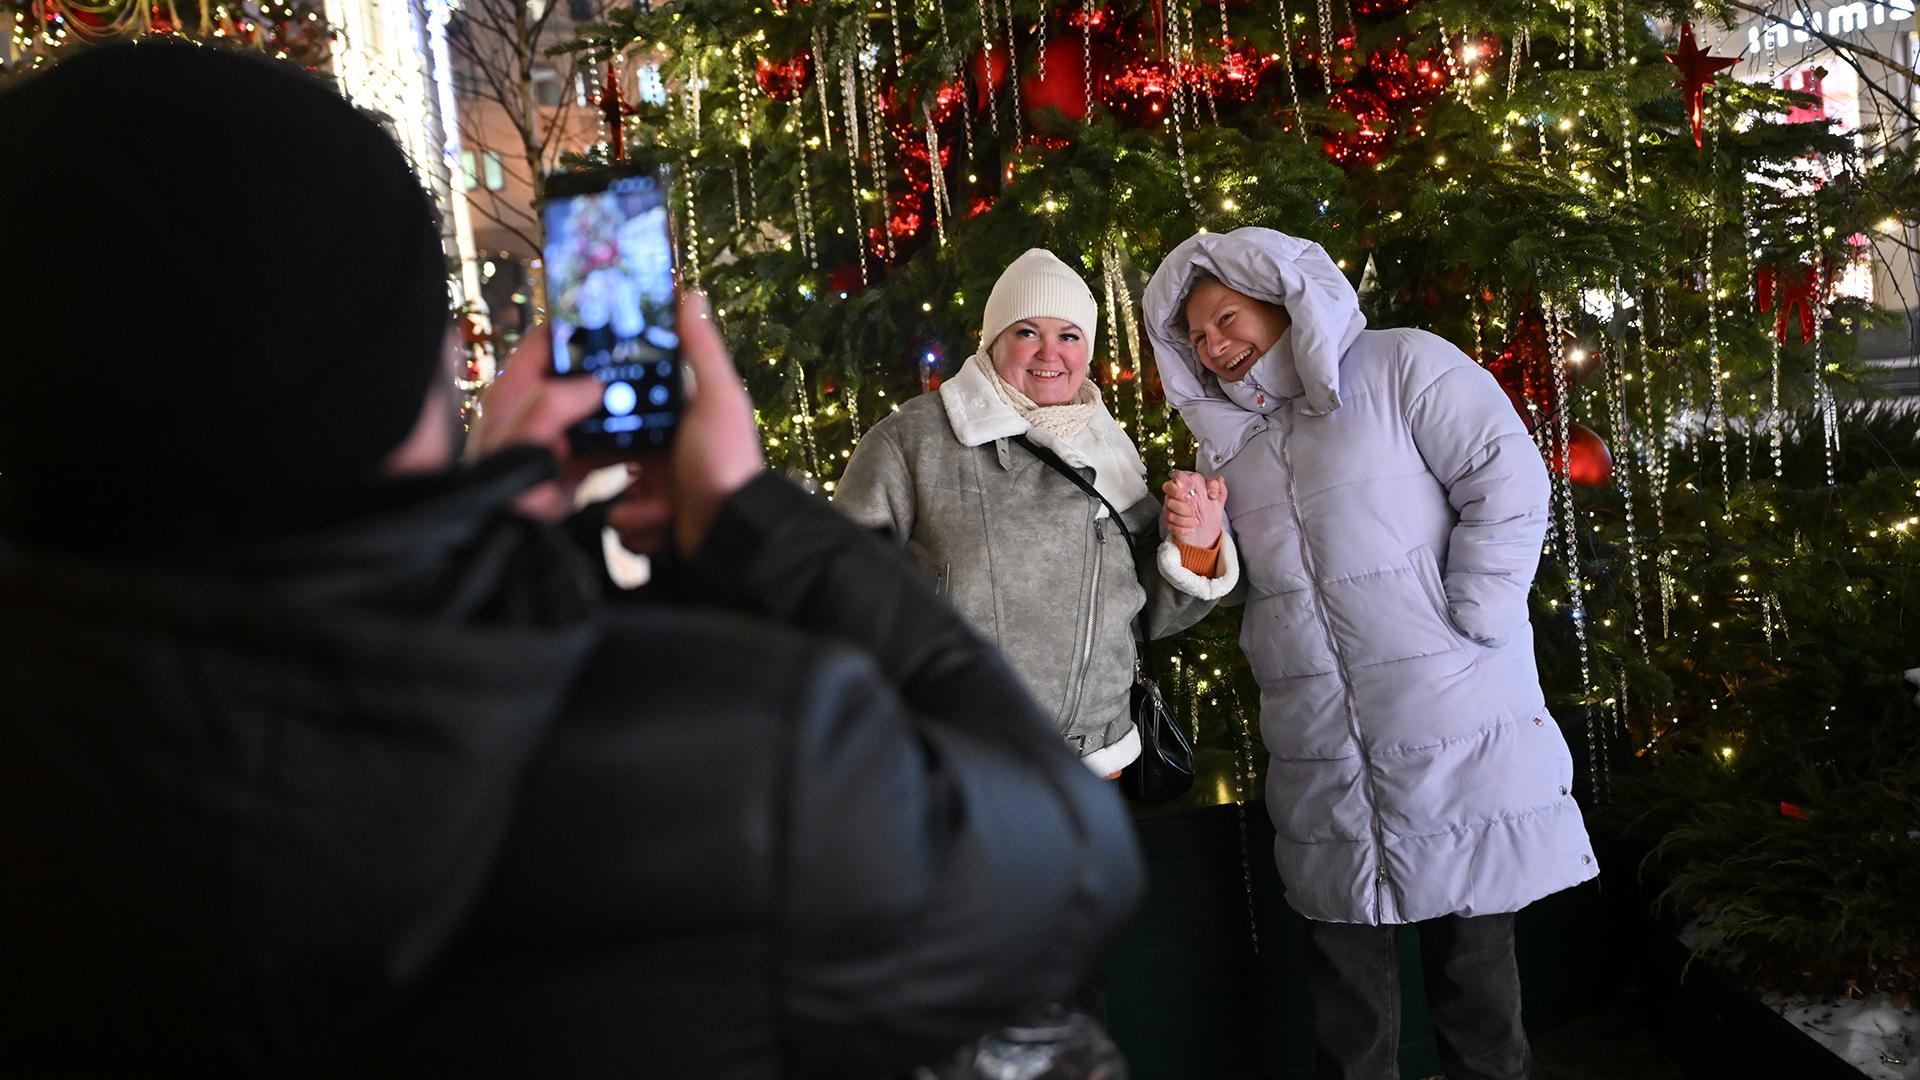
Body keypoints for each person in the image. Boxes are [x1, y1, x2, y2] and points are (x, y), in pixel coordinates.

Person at [0, 42, 1145, 1078]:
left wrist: (508, 528)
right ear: (412, 365)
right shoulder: (742, 766)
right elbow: (1065, 853)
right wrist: (747, 517)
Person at [1141, 227, 1599, 1080]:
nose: (1215, 346)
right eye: (1196, 337)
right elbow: (1251, 583)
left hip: (1448, 721)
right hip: (1322, 744)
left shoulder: (1402, 366)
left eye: (1227, 318)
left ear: (1281, 300)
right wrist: (1205, 549)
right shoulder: (1227, 446)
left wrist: (1473, 616)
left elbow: (1506, 476)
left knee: (1476, 982)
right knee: (1346, 1002)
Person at [835, 248, 1240, 781]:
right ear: (993, 340)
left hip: (1094, 763)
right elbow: (840, 588)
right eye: (1027, 331)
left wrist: (1197, 544)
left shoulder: (1108, 448)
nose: (1050, 352)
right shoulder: (911, 441)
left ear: (1086, 350)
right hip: (955, 761)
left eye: (1069, 336)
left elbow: (1143, 616)